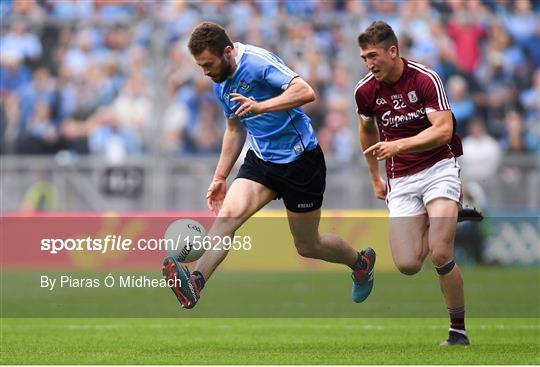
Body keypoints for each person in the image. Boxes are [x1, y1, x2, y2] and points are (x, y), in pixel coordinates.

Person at [162, 22, 375, 310]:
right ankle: (196, 281)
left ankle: (360, 263)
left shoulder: (257, 62)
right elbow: (235, 128)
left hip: (301, 161)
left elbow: (305, 91)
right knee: (227, 217)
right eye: (200, 66)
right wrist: (220, 176)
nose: (205, 72)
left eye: (208, 64)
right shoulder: (220, 81)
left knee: (308, 245)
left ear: (227, 52)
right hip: (262, 161)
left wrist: (262, 106)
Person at [354, 21, 469, 346]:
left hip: (438, 168)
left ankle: (457, 330)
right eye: (364, 57)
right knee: (407, 264)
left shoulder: (424, 78)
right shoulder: (365, 91)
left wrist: (399, 145)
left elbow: (443, 130)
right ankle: (438, 218)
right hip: (401, 179)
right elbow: (366, 132)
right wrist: (375, 177)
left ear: (393, 51)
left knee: (441, 252)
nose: (369, 63)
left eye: (373, 55)